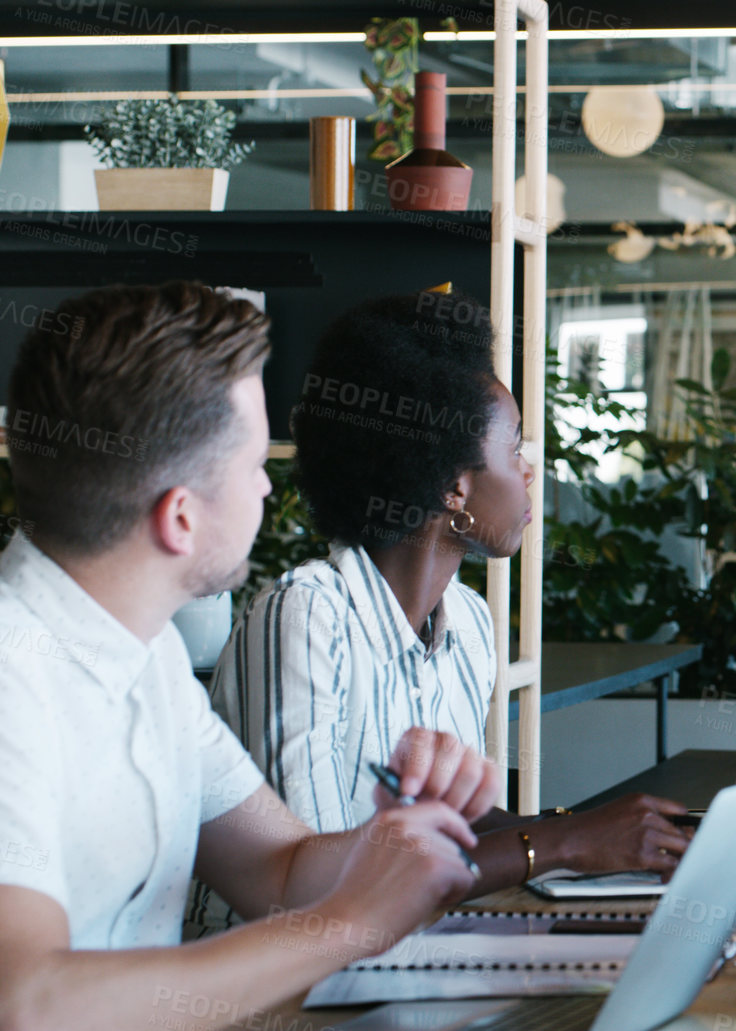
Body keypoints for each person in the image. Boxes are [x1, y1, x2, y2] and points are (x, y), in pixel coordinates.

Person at [0, 282, 504, 1027]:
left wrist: (395, 835)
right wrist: (349, 925)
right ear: (180, 516)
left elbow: (281, 868)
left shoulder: (151, 658)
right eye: (251, 465)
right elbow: (26, 999)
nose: (270, 486)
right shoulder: (15, 679)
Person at [208, 293, 691, 907]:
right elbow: (311, 896)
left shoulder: (467, 620)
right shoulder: (303, 618)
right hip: (278, 992)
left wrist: (612, 840)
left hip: (404, 964)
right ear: (451, 487)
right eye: (514, 448)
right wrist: (560, 844)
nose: (528, 473)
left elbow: (456, 822)